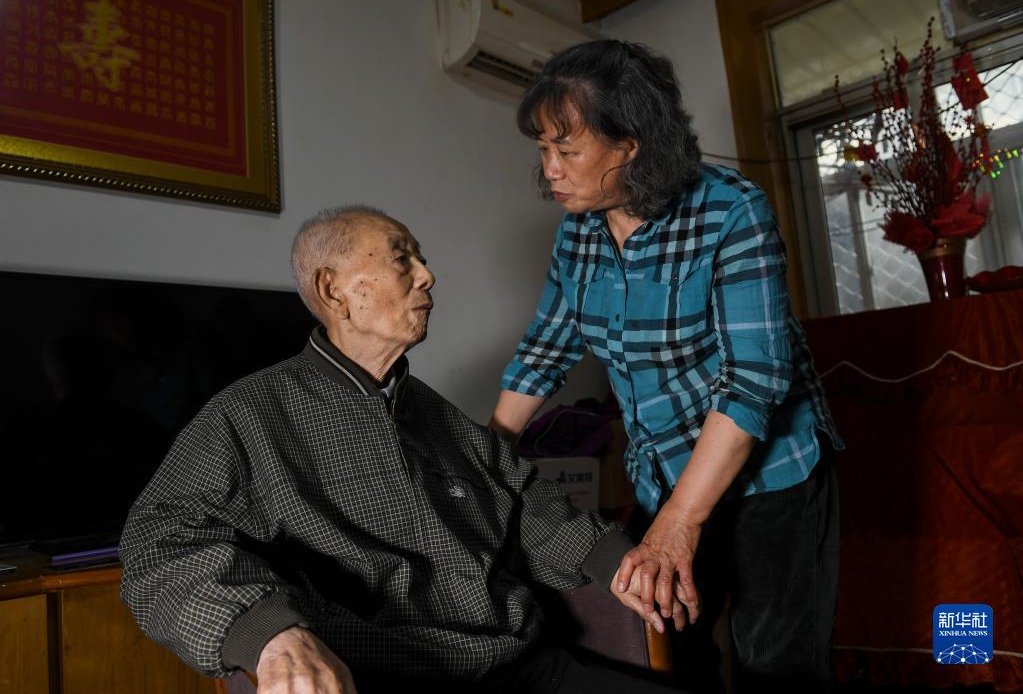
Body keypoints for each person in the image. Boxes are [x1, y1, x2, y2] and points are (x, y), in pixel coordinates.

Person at [119, 205, 681, 694]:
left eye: (421, 259)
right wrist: (267, 633)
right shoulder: (250, 414)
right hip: (385, 678)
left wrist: (622, 563)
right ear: (333, 290)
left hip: (519, 667)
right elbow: (157, 541)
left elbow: (523, 500)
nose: (428, 276)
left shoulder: (429, 410)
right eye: (401, 259)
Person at [490, 40, 843, 693]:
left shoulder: (730, 210)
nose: (549, 170)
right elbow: (547, 345)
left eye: (566, 150)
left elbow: (753, 382)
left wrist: (678, 525)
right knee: (671, 652)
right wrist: (488, 452)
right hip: (662, 474)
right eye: (542, 149)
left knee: (776, 664)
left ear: (629, 146)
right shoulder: (579, 230)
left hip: (771, 479)